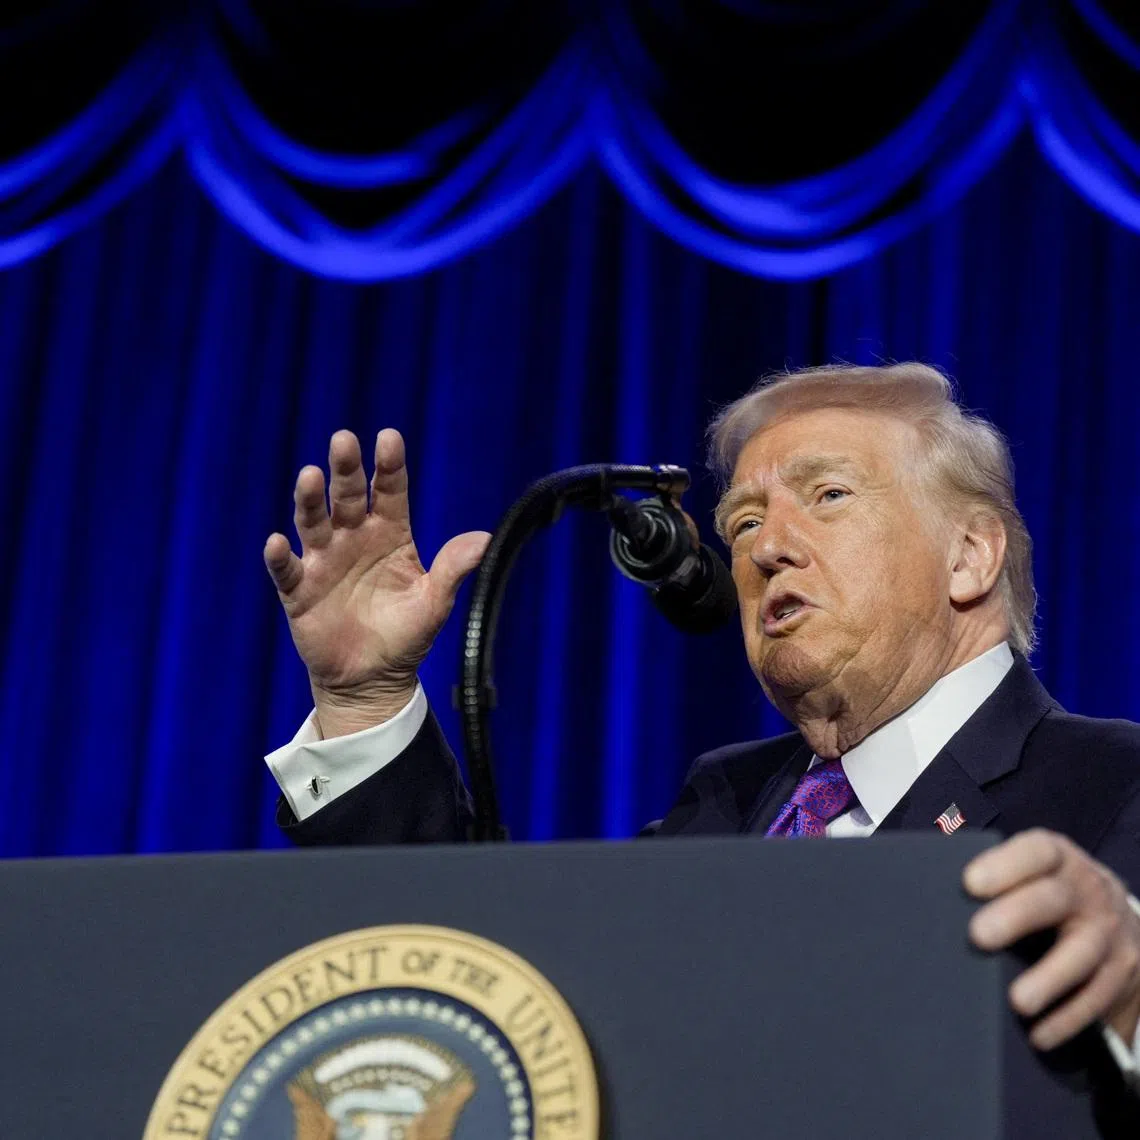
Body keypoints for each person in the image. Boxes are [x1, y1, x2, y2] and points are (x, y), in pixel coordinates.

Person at [262, 363, 1140, 1136]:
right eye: (744, 521)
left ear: (970, 556)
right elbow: (475, 986)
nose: (766, 548)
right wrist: (364, 700)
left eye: (828, 496)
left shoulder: (1112, 786)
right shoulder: (722, 806)